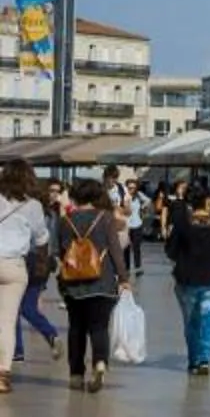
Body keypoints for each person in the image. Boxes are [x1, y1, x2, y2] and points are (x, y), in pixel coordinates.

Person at [49, 178, 128, 392]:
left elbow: (57, 251)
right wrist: (124, 278)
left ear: (74, 196)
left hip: (73, 284)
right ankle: (100, 363)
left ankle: (76, 374)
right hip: (102, 282)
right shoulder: (106, 218)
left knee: (76, 328)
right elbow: (115, 250)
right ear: (96, 196)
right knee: (99, 326)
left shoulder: (65, 221)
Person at [162, 181, 210, 375]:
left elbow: (170, 251)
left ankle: (193, 359)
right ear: (207, 202)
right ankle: (204, 358)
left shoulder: (182, 223)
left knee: (191, 321)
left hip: (187, 280)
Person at [0, 160, 44, 395]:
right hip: (15, 267)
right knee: (6, 322)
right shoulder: (33, 205)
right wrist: (42, 267)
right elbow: (41, 239)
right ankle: (3, 375)